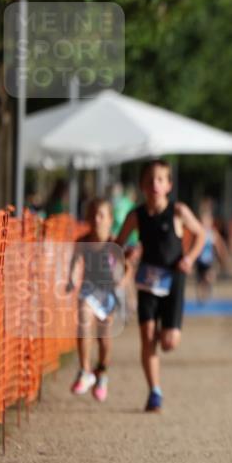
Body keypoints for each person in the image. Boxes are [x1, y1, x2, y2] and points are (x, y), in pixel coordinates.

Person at [114, 160, 206, 413]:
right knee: (146, 338)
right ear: (143, 185)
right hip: (146, 280)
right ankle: (154, 391)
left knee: (168, 343)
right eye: (150, 180)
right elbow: (118, 245)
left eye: (160, 179)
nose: (155, 184)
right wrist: (128, 253)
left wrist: (189, 258)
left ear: (168, 185)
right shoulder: (137, 215)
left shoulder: (178, 211)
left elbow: (201, 233)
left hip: (173, 280)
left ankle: (164, 334)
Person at [65, 198, 131, 402]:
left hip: (108, 293)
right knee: (83, 322)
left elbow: (128, 268)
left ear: (110, 219)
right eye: (92, 214)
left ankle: (102, 374)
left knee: (104, 339)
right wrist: (71, 279)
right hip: (88, 290)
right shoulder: (82, 242)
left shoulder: (114, 244)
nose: (96, 219)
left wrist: (123, 282)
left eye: (101, 215)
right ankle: (85, 370)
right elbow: (75, 263)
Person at [194, 197, 230, 302]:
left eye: (207, 221)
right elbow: (192, 246)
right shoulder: (198, 233)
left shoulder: (213, 234)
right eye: (203, 221)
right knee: (200, 281)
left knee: (209, 276)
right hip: (199, 261)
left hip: (209, 260)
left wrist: (223, 258)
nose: (205, 223)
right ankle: (201, 295)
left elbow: (220, 246)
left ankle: (208, 285)